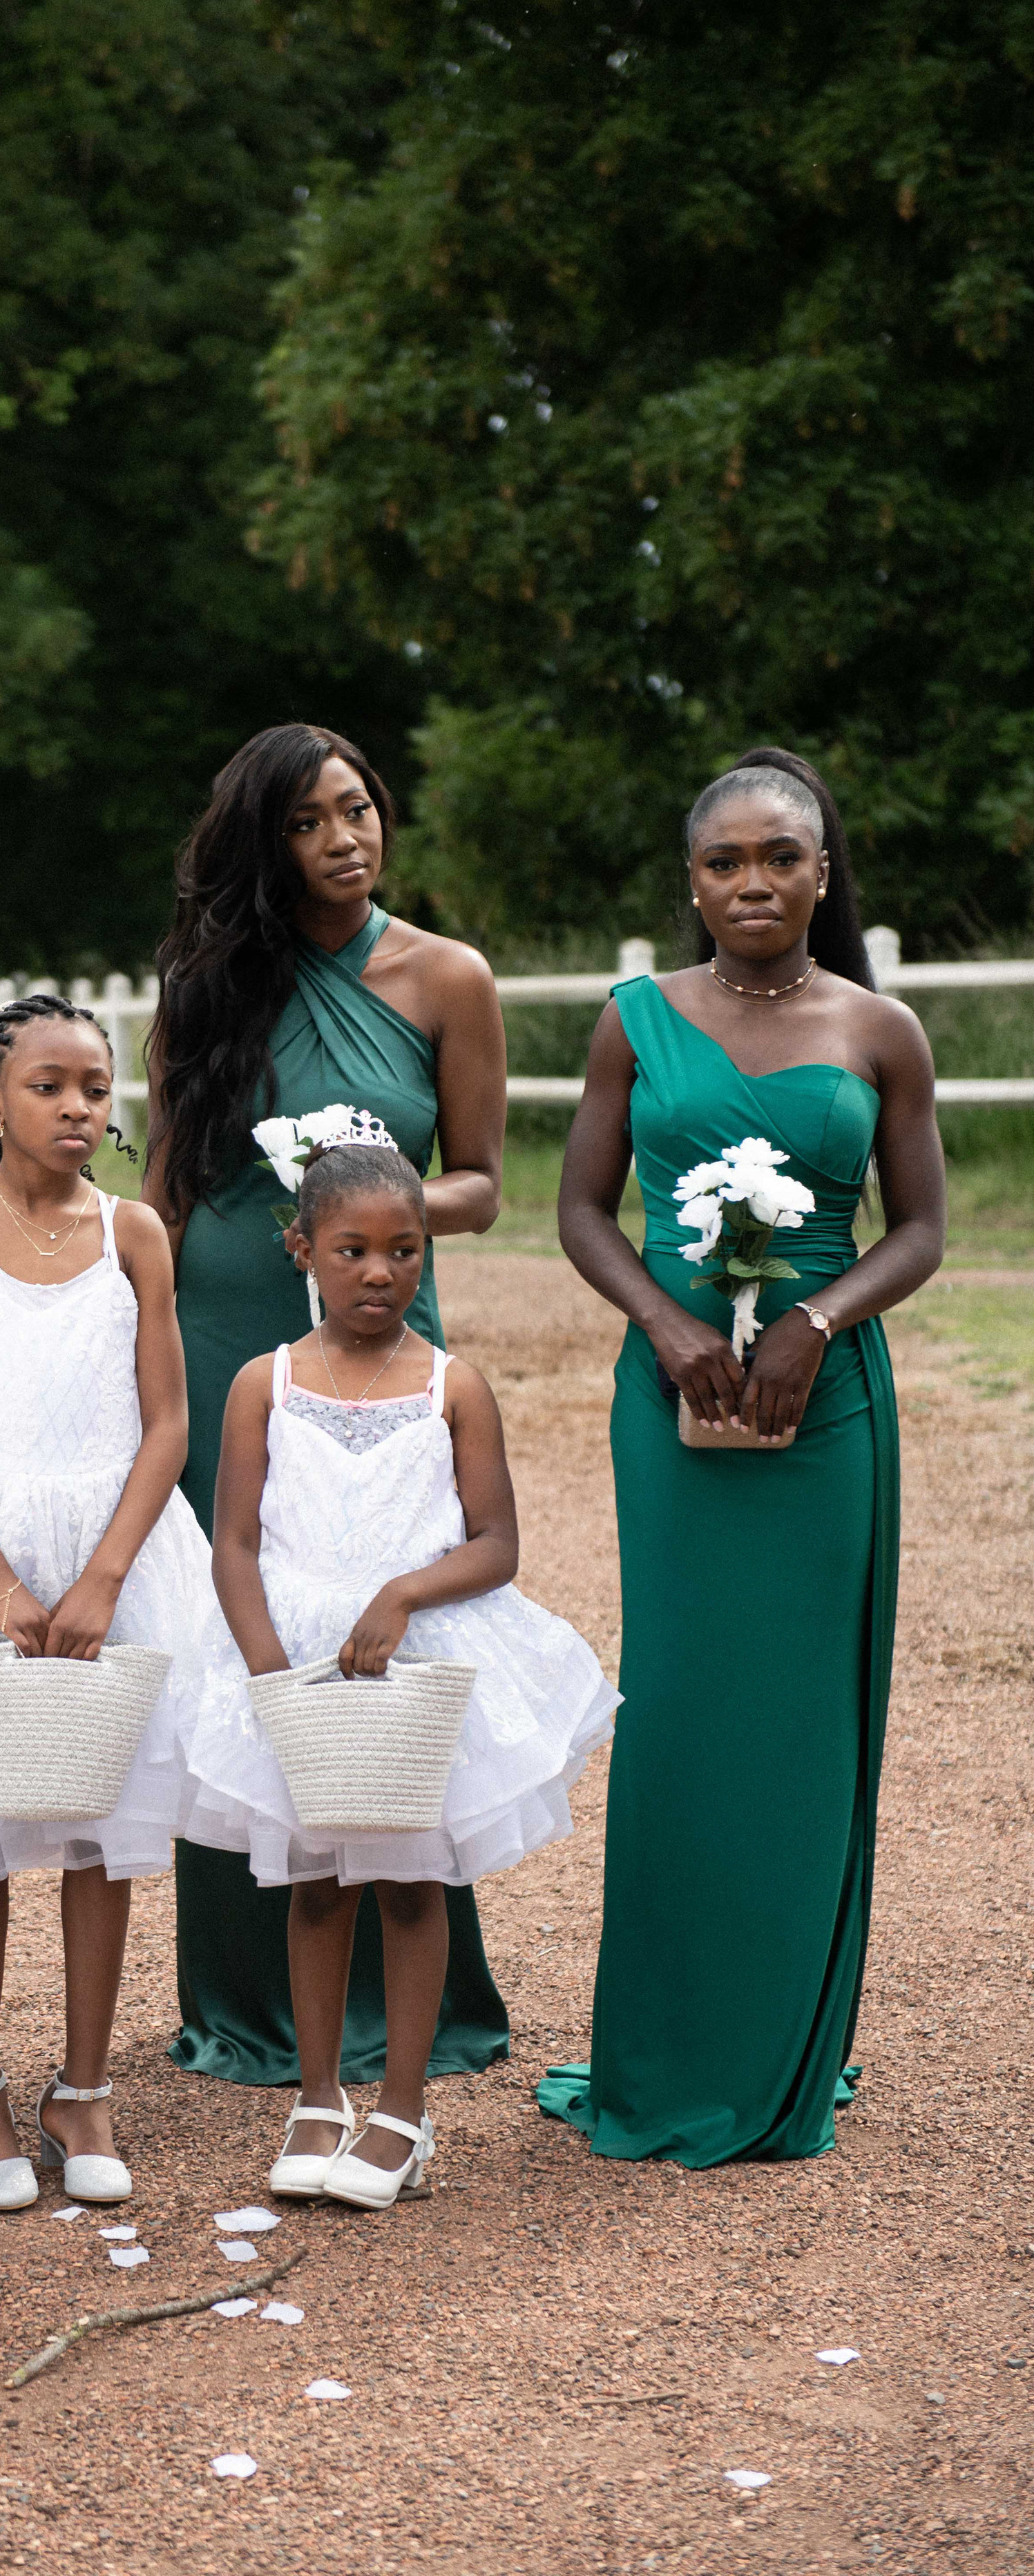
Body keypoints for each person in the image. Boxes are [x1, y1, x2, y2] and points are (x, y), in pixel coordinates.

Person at [538, 746, 945, 2165]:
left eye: (780, 855)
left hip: (823, 1411)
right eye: (723, 861)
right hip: (669, 1406)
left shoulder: (877, 1029)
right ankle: (665, 2042)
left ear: (822, 869)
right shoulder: (631, 1021)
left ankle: (782, 2048)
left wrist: (815, 1319)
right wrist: (661, 1319)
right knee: (683, 1712)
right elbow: (581, 1209)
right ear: (690, 882)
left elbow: (919, 1230)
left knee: (800, 1721)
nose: (751, 882)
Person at [143, 721, 513, 2085]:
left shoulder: (444, 977)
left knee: (384, 1612)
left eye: (357, 809)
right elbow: (165, 1193)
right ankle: (246, 1999)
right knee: (242, 1623)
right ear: (266, 846)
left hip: (378, 1334)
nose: (343, 838)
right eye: (307, 822)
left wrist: (374, 1194)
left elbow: (478, 1177)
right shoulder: (204, 986)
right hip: (224, 1328)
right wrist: (142, 1360)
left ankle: (410, 1990)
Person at [186, 1130, 615, 2205]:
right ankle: (319, 2095)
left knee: (415, 1884)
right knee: (320, 1885)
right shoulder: (262, 1384)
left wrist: (402, 1596)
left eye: (404, 1251)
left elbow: (495, 1543)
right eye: (352, 1251)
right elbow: (233, 1542)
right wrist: (271, 1672)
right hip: (297, 1661)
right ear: (302, 1251)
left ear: (427, 1254)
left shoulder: (451, 1387)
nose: (379, 1273)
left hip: (415, 1662)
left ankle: (406, 2111)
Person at [0, 995, 211, 2211]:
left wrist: (105, 1576)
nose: (80, 1108)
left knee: (98, 1823)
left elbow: (169, 1419)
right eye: (49, 1087)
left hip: (108, 1552)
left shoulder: (136, 1234)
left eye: (94, 1087)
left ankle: (84, 2089)